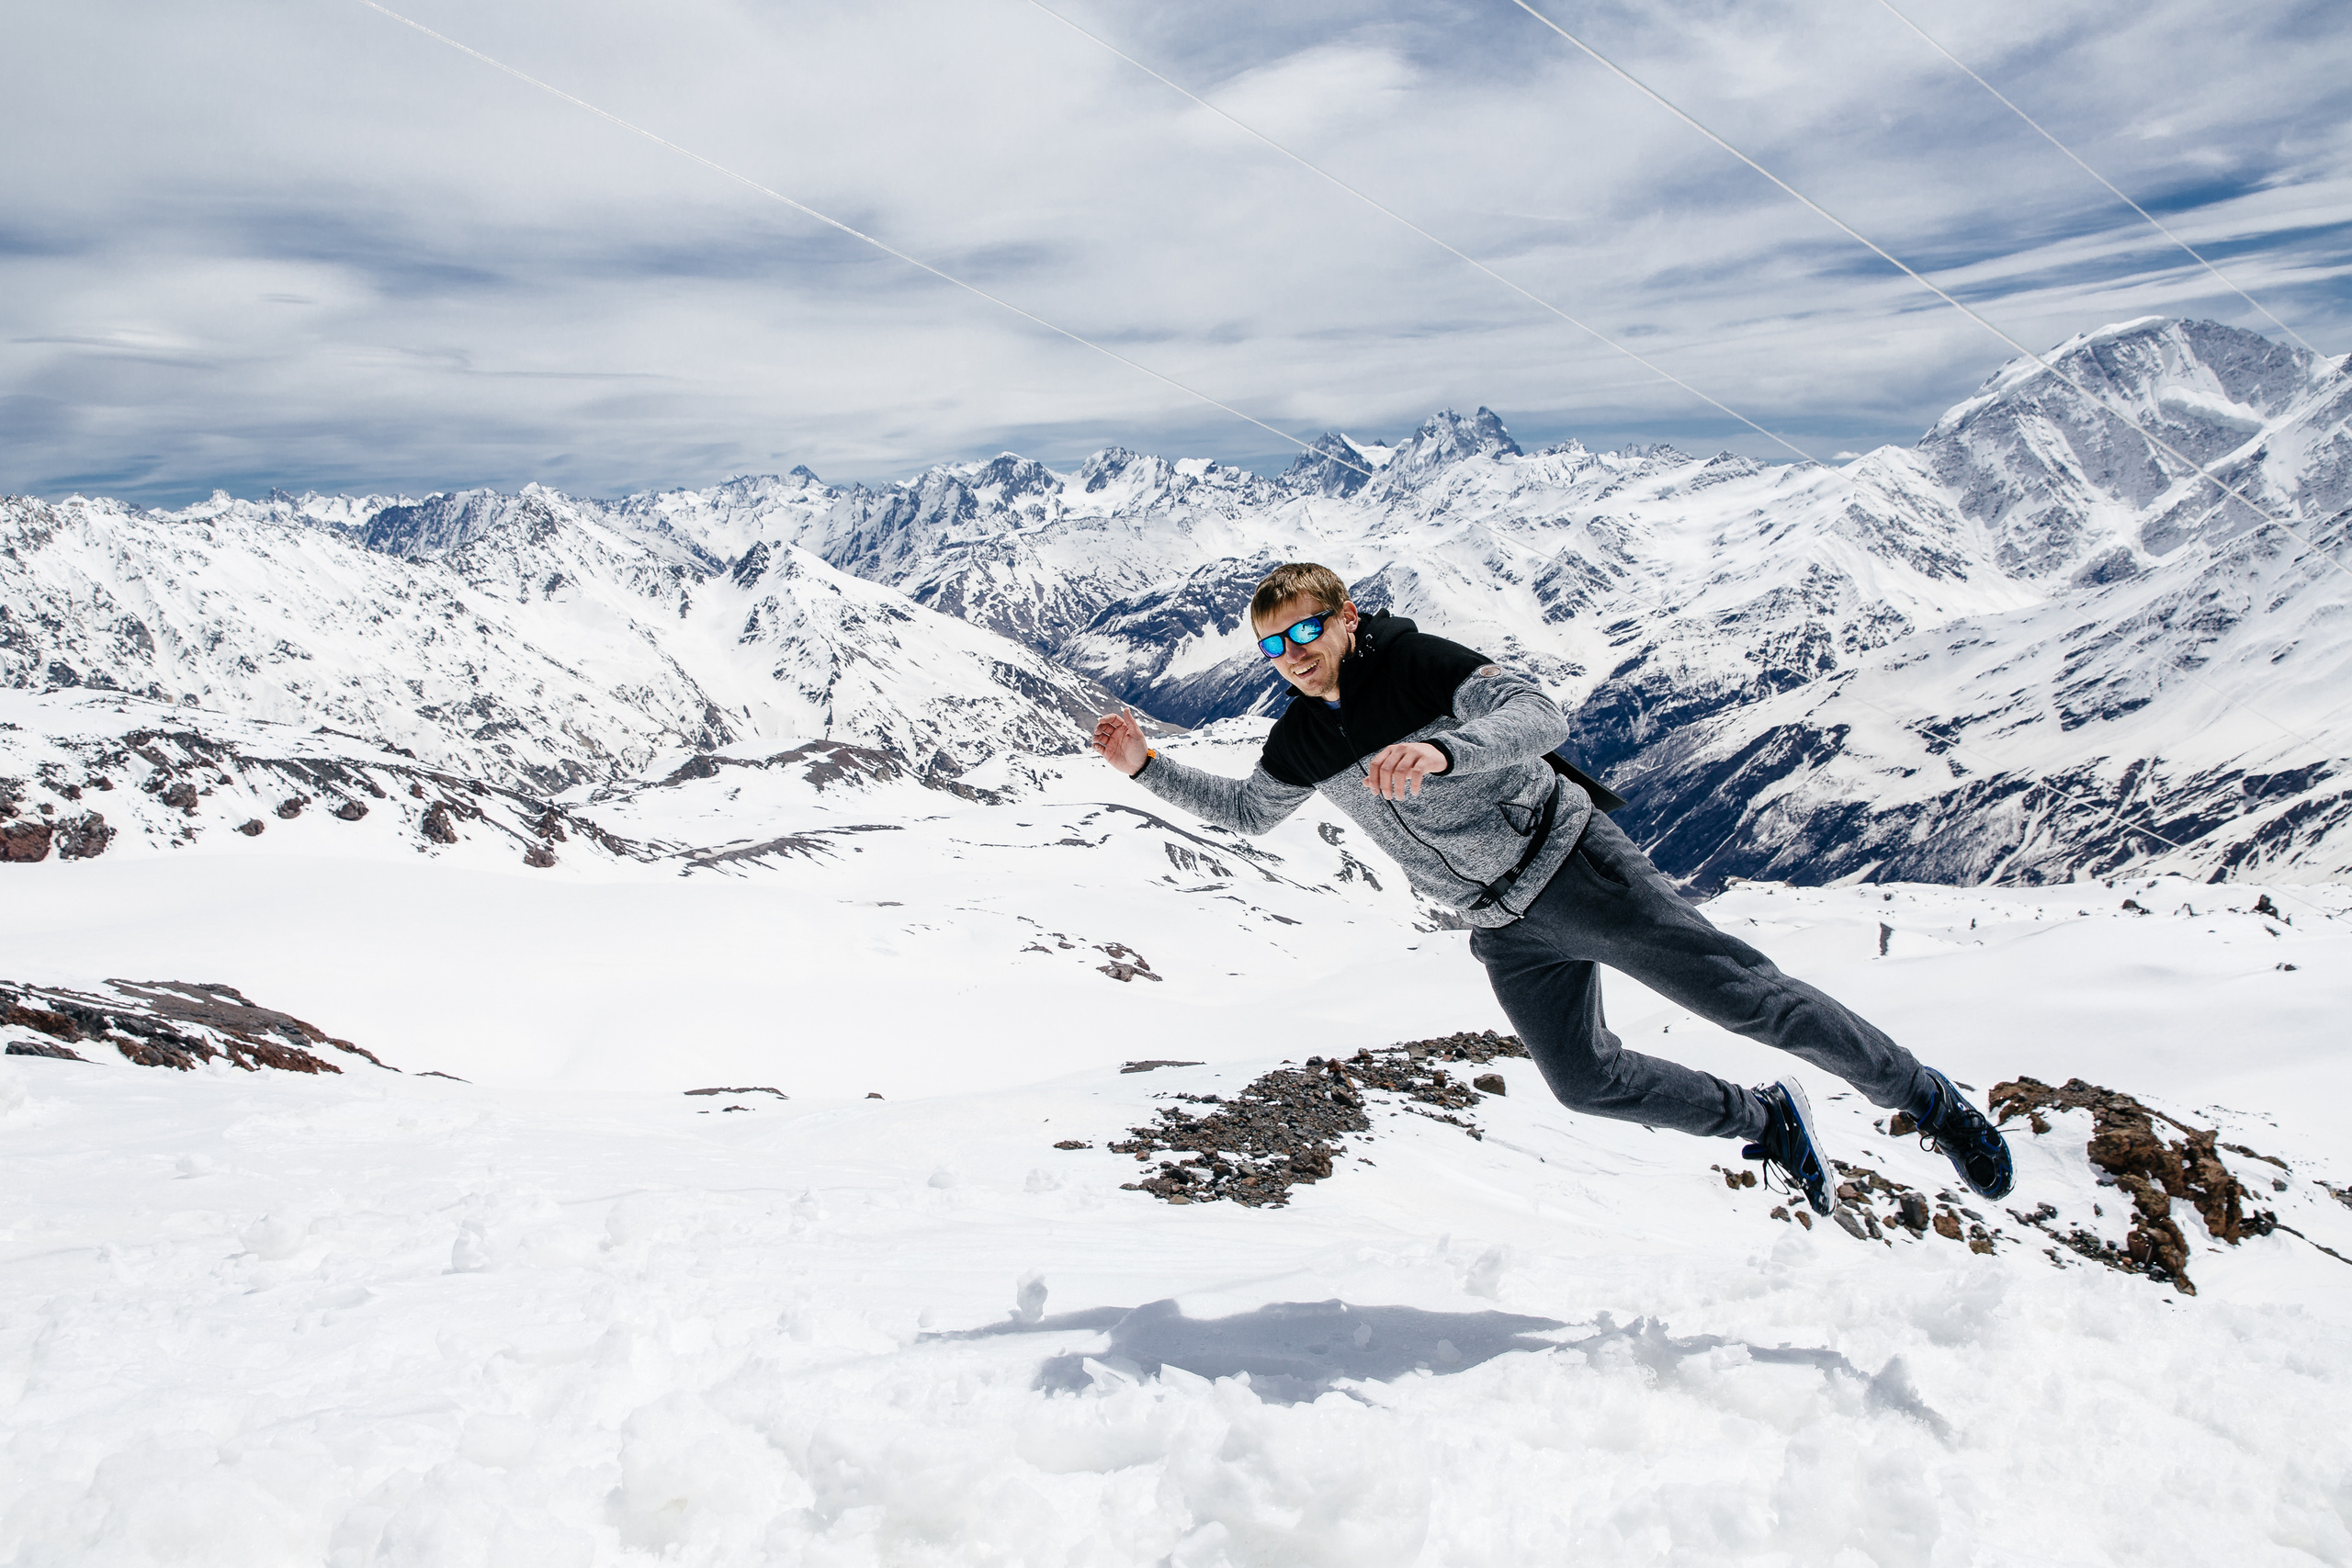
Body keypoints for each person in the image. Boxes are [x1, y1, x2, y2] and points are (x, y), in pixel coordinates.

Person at [1088, 562, 2013, 1212]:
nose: (1291, 652)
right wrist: (1144, 767)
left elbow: (1539, 711)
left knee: (1753, 1004)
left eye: (1304, 629)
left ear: (1347, 618)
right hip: (1502, 927)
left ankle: (1929, 1102)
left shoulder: (1418, 664)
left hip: (1575, 869)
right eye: (1271, 645)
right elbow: (1250, 813)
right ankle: (1766, 1122)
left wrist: (1445, 747)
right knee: (1583, 1080)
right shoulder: (1302, 738)